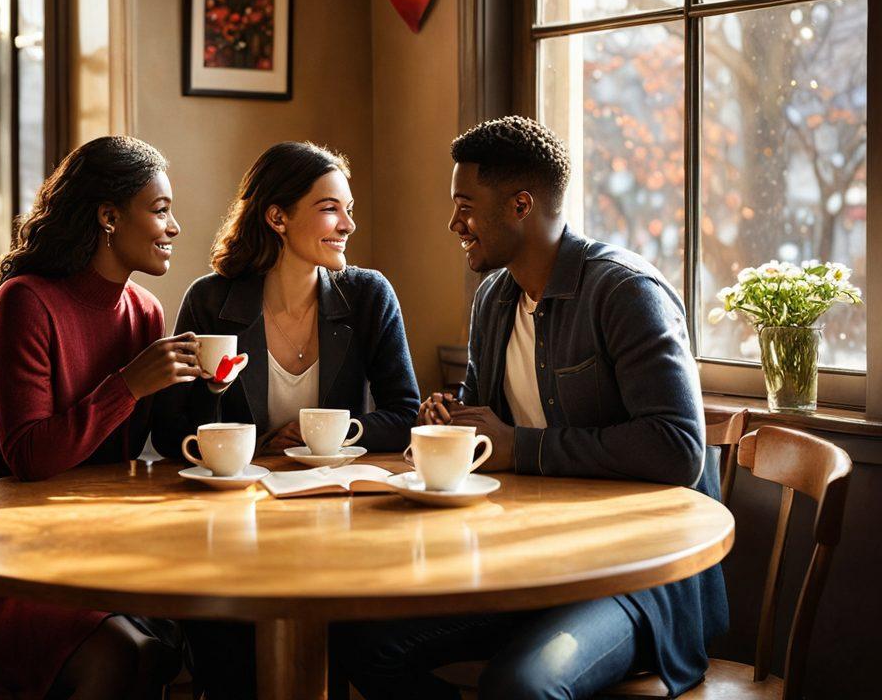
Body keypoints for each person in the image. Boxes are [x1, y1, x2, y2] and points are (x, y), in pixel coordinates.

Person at [335, 117, 728, 700]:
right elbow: (492, 414)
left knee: (521, 687)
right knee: (357, 644)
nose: (453, 223)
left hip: (630, 581)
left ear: (521, 204)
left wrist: (518, 444)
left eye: (465, 205)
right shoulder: (494, 300)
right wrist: (456, 417)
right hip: (528, 564)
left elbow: (677, 449)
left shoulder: (624, 293)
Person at [0, 136, 201, 700]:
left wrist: (206, 390)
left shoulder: (145, 313)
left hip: (91, 548)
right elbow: (32, 458)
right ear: (109, 216)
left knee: (203, 634)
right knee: (123, 652)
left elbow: (145, 446)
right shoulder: (28, 301)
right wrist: (130, 384)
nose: (174, 226)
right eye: (160, 210)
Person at [150, 140, 421, 698]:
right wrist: (215, 396)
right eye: (329, 208)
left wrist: (338, 432)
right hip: (231, 528)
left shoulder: (369, 296)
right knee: (229, 656)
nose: (348, 223)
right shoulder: (211, 300)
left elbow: (405, 412)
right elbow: (171, 433)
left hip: (338, 524)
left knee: (346, 644)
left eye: (348, 208)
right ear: (277, 217)